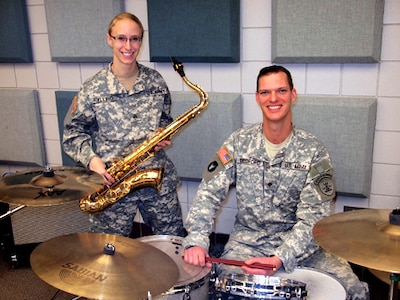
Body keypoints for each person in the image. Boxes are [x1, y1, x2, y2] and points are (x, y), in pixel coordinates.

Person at [182, 65, 369, 299]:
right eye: (265, 92)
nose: (273, 98)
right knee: (228, 287)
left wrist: (280, 258)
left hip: (302, 244)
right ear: (258, 98)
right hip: (248, 242)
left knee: (352, 288)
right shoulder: (238, 143)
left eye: (281, 91)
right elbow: (208, 193)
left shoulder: (314, 151)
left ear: (293, 94)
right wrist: (197, 241)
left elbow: (314, 218)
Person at [63, 12, 185, 238]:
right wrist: (93, 161)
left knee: (173, 243)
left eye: (135, 39)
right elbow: (73, 133)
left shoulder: (156, 81)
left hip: (154, 178)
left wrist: (163, 135)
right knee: (109, 253)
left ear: (141, 40)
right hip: (111, 182)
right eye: (121, 38)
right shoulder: (92, 88)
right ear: (109, 39)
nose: (128, 46)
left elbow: (164, 120)